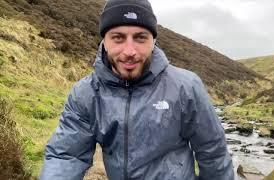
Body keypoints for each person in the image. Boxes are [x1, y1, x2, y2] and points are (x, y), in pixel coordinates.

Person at [40, 0, 234, 179]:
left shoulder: (187, 87)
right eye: (118, 38)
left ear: (153, 41)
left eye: (140, 38)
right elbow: (67, 156)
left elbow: (213, 153)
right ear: (104, 42)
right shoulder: (86, 93)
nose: (130, 51)